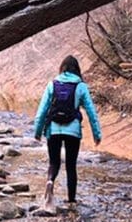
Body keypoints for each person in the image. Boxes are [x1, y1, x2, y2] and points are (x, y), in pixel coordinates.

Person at [33, 55, 102, 209]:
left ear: (62, 68)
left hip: (53, 129)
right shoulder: (81, 86)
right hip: (73, 130)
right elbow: (91, 112)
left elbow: (42, 110)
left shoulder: (52, 84)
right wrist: (97, 134)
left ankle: (50, 181)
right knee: (71, 165)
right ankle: (71, 200)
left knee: (54, 162)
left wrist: (37, 131)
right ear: (77, 69)